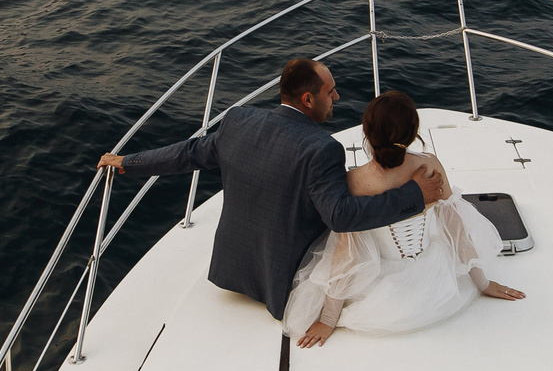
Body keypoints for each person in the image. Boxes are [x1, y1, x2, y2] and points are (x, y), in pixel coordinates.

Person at [98, 57, 444, 322]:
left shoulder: (238, 121)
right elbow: (341, 216)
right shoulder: (322, 149)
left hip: (232, 269)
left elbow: (188, 153)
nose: (337, 96)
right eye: (330, 91)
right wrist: (415, 195)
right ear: (308, 99)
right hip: (282, 280)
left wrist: (129, 162)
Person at [283, 89, 523, 347]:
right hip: (436, 284)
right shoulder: (430, 165)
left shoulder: (354, 181)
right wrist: (482, 283)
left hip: (381, 293)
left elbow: (348, 254)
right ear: (413, 132)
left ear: (366, 131)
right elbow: (455, 228)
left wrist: (329, 318)